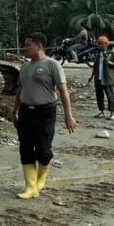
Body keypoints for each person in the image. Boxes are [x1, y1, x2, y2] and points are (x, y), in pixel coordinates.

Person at [13, 32, 78, 199]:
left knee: (43, 149)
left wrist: (68, 116)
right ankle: (30, 187)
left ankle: (42, 176)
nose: (25, 48)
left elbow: (63, 92)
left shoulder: (52, 65)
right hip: (26, 111)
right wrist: (15, 111)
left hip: (45, 112)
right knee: (25, 148)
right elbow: (20, 90)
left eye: (28, 45)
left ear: (39, 46)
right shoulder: (25, 67)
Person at [87, 35, 114, 121]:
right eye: (99, 44)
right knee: (99, 96)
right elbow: (95, 67)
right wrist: (91, 77)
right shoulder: (98, 54)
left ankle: (112, 113)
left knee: (110, 96)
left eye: (101, 44)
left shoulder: (112, 54)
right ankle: (102, 111)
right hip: (98, 79)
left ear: (106, 44)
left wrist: (109, 62)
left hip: (108, 78)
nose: (99, 46)